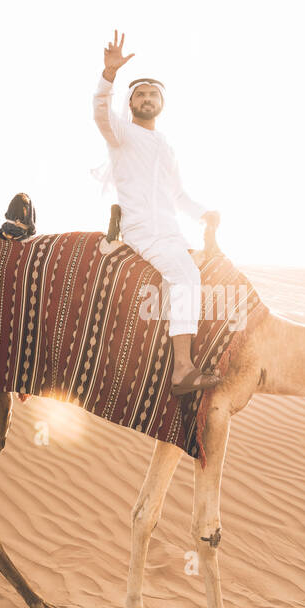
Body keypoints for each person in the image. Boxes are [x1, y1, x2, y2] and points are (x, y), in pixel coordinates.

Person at [92, 30, 222, 395]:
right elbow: (100, 112)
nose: (147, 99)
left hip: (170, 232)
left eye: (153, 95)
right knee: (185, 276)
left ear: (161, 104)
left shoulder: (166, 147)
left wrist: (204, 213)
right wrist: (109, 76)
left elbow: (178, 194)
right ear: (130, 102)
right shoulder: (120, 134)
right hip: (142, 231)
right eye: (140, 94)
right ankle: (182, 370)